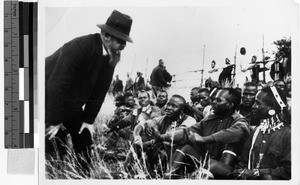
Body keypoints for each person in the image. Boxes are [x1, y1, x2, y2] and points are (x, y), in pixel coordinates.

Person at [45, 10, 133, 172]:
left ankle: (83, 177)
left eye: (125, 42)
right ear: (106, 36)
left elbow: (99, 92)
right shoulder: (79, 47)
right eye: (120, 40)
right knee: (53, 144)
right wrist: (55, 120)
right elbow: (56, 85)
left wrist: (88, 120)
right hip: (45, 99)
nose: (123, 46)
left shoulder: (111, 57)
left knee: (84, 139)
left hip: (71, 104)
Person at [156, 88, 250, 179]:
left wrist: (204, 139)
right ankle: (168, 176)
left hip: (226, 169)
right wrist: (163, 137)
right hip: (206, 163)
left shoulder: (239, 120)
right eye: (213, 99)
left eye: (218, 100)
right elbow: (187, 132)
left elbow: (238, 132)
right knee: (185, 147)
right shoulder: (209, 120)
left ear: (229, 105)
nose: (213, 102)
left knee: (229, 148)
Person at [230, 87, 291, 180]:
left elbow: (289, 171)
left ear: (272, 107)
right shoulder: (256, 131)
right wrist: (240, 172)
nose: (253, 106)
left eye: (258, 103)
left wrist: (257, 173)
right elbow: (243, 162)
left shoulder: (288, 134)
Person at [131, 94, 197, 177]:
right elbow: (141, 126)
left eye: (174, 106)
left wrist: (156, 138)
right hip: (163, 155)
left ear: (182, 110)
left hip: (179, 159)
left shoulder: (190, 121)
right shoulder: (164, 118)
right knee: (139, 141)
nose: (168, 108)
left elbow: (176, 135)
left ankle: (163, 174)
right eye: (168, 104)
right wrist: (137, 136)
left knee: (149, 144)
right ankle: (125, 171)